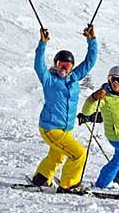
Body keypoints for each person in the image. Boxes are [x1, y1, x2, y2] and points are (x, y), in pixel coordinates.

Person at [31, 26, 97, 193]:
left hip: (65, 129)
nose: (64, 68)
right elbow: (38, 65)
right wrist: (42, 43)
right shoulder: (49, 80)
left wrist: (92, 40)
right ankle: (69, 184)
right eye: (61, 64)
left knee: (57, 154)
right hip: (51, 128)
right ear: (56, 64)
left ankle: (42, 177)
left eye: (68, 65)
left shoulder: (74, 78)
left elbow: (90, 62)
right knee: (78, 154)